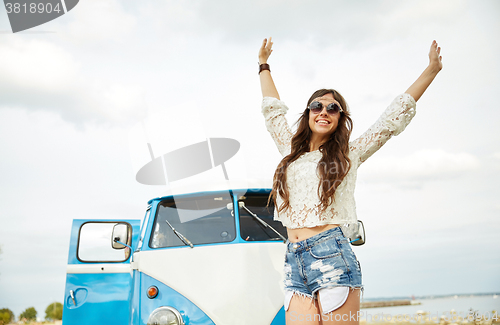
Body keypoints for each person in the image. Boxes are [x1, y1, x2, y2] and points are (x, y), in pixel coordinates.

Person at [258, 37, 442, 325]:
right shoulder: (288, 150)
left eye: (333, 108)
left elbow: (389, 120)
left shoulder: (349, 154)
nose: (323, 112)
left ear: (340, 118)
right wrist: (263, 65)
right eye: (317, 106)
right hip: (293, 260)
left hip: (331, 255)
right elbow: (272, 112)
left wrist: (431, 70)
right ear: (308, 113)